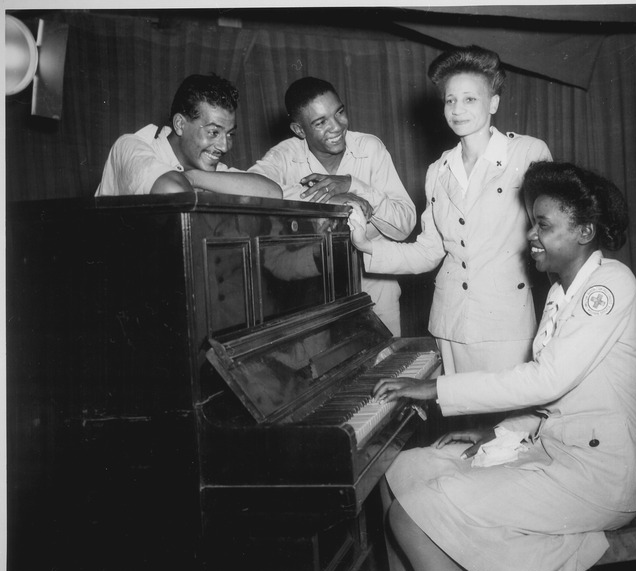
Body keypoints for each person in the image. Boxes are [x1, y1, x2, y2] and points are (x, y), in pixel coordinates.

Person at [364, 161, 636, 571]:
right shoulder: (559, 292)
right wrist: (497, 431)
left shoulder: (608, 286)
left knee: (413, 513)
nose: (530, 235)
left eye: (542, 225)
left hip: (598, 477)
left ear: (584, 232)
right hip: (553, 453)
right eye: (531, 224)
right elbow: (559, 403)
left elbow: (546, 381)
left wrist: (435, 389)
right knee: (398, 471)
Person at [349, 46, 552, 376]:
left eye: (470, 99)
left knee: (506, 422)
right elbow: (429, 251)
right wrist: (366, 244)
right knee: (459, 420)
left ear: (494, 103)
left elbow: (552, 233)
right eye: (450, 100)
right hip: (450, 324)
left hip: (506, 324)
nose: (457, 109)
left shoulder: (527, 153)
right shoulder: (438, 170)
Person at [247, 77, 416, 336]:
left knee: (386, 370)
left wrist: (353, 185)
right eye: (320, 122)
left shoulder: (370, 148)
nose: (337, 127)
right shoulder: (284, 156)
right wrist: (329, 199)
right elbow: (248, 189)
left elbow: (404, 226)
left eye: (339, 112)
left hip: (376, 293)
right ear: (299, 130)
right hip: (311, 300)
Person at [96, 73, 281, 198]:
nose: (224, 146)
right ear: (180, 124)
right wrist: (193, 180)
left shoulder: (202, 167)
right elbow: (171, 189)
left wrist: (192, 177)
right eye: (213, 132)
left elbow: (272, 192)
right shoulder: (131, 145)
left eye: (230, 134)